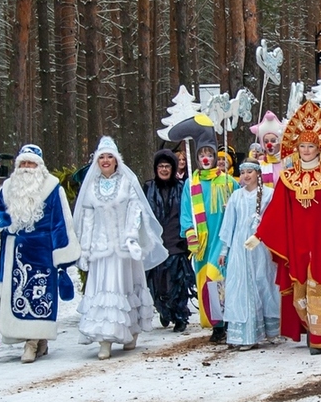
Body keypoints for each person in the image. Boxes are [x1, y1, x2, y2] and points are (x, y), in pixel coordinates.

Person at [248, 101, 321, 355]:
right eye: (302, 146)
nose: (306, 150)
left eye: (311, 146)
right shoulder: (288, 178)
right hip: (297, 240)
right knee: (300, 285)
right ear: (296, 147)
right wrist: (260, 235)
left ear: (319, 148)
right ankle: (309, 329)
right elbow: (276, 210)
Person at [0, 144, 81, 362]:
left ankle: (31, 344)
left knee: (38, 298)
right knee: (16, 298)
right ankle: (37, 341)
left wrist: (62, 256)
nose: (26, 168)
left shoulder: (53, 189)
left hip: (41, 253)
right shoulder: (8, 187)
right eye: (22, 163)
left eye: (30, 163)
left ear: (40, 166)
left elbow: (61, 223)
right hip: (13, 253)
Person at [74, 136, 167, 360]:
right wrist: (84, 250)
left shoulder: (127, 182)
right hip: (101, 249)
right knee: (103, 291)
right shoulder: (91, 186)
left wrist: (131, 238)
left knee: (125, 288)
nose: (106, 161)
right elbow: (87, 219)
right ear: (97, 161)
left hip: (124, 249)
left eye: (110, 157)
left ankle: (131, 330)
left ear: (116, 160)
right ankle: (104, 339)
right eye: (102, 157)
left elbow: (136, 211)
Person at [176, 120, 240, 343]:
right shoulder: (190, 184)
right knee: (205, 282)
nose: (205, 158)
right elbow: (186, 211)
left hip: (222, 239)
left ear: (215, 157)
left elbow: (240, 205)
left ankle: (226, 321)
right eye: (202, 154)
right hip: (202, 243)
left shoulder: (228, 182)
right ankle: (217, 325)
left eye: (209, 154)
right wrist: (190, 233)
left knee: (217, 280)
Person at [217, 158, 280, 350]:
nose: (245, 176)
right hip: (239, 247)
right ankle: (243, 334)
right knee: (240, 288)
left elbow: (275, 220)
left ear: (257, 174)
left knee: (264, 284)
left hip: (261, 247)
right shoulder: (236, 197)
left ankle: (271, 331)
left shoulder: (269, 194)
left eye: (249, 172)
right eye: (243, 172)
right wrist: (224, 250)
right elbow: (229, 225)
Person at [142, 149, 194, 333]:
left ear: (173, 168)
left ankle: (180, 315)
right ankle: (164, 309)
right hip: (155, 242)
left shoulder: (182, 187)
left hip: (176, 241)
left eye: (167, 166)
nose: (164, 169)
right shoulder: (148, 188)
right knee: (157, 283)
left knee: (177, 283)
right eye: (160, 166)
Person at [251, 110, 285, 188]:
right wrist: (250, 162)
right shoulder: (258, 165)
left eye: (273, 141)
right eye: (266, 142)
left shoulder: (287, 164)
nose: (269, 144)